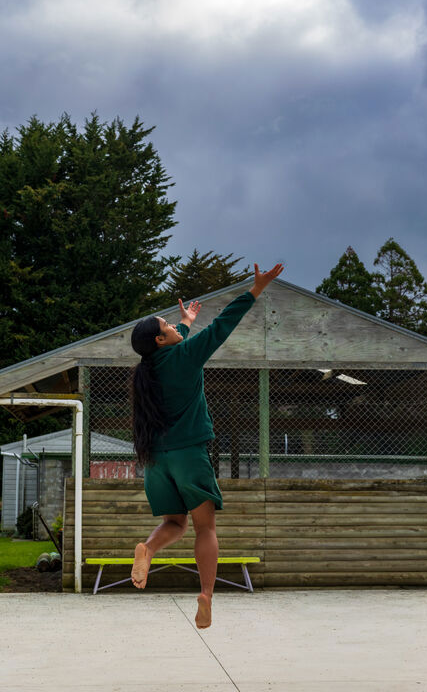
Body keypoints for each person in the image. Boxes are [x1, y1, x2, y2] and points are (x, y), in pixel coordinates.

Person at [129, 262, 283, 628]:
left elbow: (171, 344)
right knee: (204, 529)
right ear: (161, 340)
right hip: (189, 457)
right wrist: (255, 289)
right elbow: (223, 326)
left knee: (174, 522)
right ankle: (206, 595)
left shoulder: (145, 372)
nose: (173, 326)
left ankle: (148, 550)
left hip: (155, 462)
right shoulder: (186, 356)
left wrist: (185, 322)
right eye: (167, 326)